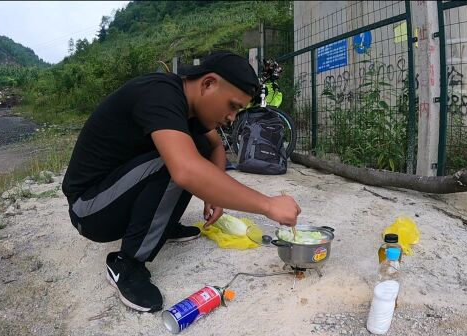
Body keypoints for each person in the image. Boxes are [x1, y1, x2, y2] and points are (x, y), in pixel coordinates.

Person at [62, 51, 301, 313]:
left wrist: (214, 193)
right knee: (179, 161)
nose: (233, 118)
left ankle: (160, 224)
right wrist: (268, 205)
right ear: (208, 83)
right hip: (90, 209)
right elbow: (186, 170)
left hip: (115, 194)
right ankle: (126, 264)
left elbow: (216, 147)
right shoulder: (160, 94)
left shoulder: (188, 107)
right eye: (233, 106)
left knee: (195, 148)